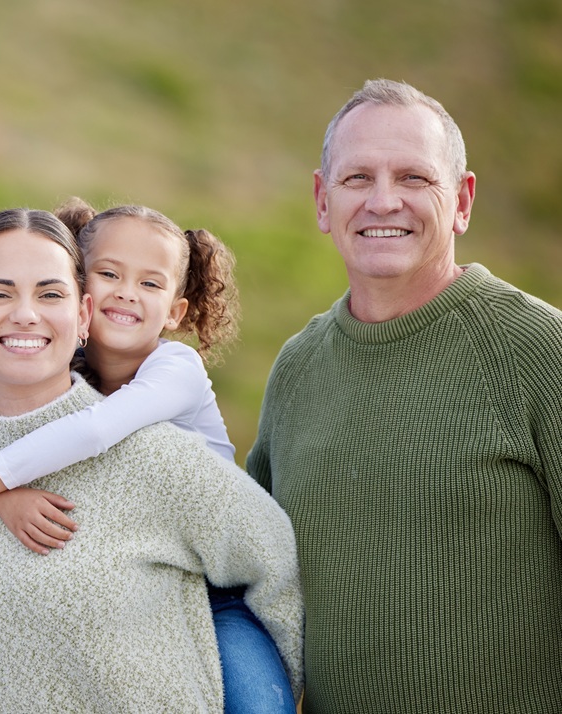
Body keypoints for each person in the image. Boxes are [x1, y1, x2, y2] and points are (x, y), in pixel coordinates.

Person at [246, 78, 562, 713]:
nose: (383, 201)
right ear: (322, 199)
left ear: (462, 200)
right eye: (358, 178)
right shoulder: (298, 370)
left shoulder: (537, 348)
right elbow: (250, 576)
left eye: (414, 178)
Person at [0, 208, 303, 712]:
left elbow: (96, 430)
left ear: (176, 311)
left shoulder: (174, 372)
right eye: (110, 273)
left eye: (149, 283)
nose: (126, 293)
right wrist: (2, 498)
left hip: (215, 592)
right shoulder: (54, 360)